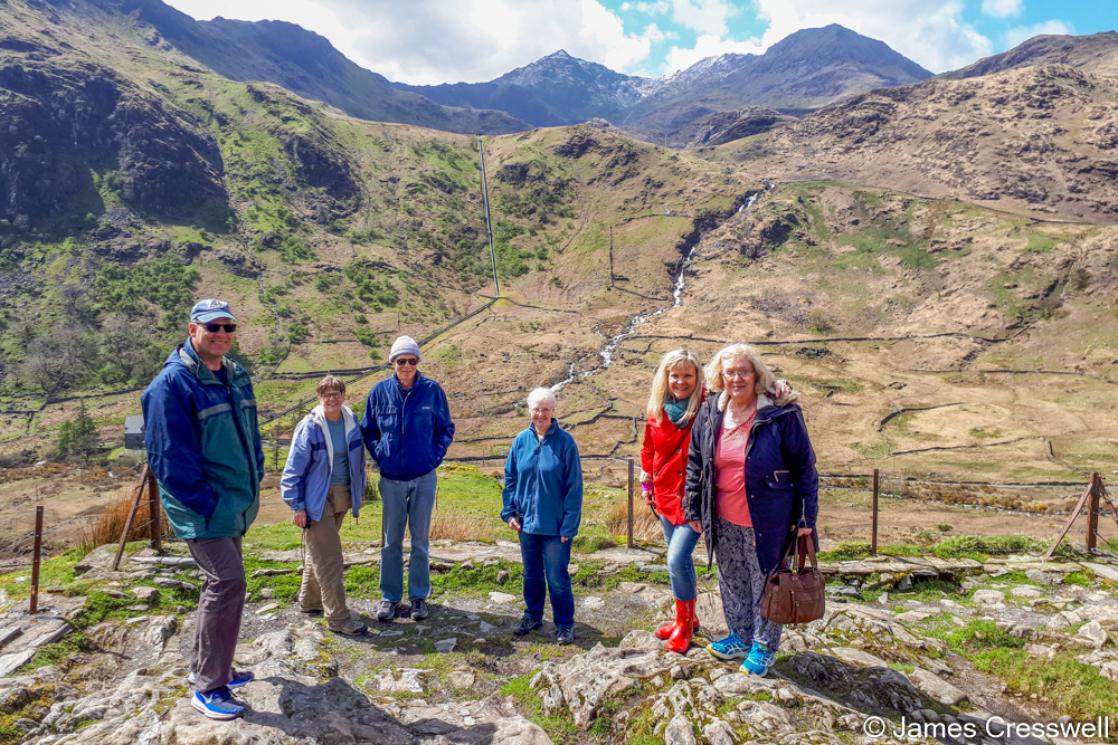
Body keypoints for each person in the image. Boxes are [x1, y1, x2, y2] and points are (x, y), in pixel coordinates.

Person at [141, 298, 263, 720]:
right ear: (192, 329)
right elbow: (168, 458)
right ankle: (209, 687)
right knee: (227, 582)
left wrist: (254, 479)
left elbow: (252, 434)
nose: (222, 334)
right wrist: (206, 502)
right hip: (205, 508)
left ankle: (214, 666)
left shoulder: (234, 374)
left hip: (234, 503)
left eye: (229, 327)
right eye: (213, 327)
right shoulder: (171, 385)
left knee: (225, 584)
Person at [683, 343, 818, 677]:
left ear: (757, 375)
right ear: (720, 376)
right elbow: (696, 460)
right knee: (732, 579)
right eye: (729, 372)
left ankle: (764, 646)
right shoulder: (711, 410)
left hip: (769, 518)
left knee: (766, 583)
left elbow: (805, 467)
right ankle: (740, 636)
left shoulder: (781, 413)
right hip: (723, 516)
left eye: (743, 371)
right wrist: (693, 506)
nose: (736, 378)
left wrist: (805, 518)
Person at [361, 335, 455, 622]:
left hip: (424, 477)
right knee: (390, 542)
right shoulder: (378, 392)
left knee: (420, 541)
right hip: (391, 480)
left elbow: (445, 429)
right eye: (401, 361)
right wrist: (382, 457)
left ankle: (418, 598)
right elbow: (369, 430)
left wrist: (432, 459)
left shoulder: (432, 391)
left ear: (417, 363)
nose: (406, 365)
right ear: (392, 363)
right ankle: (389, 598)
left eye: (411, 361)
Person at [281, 375, 369, 636]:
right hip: (316, 501)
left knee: (318, 553)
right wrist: (297, 505)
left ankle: (310, 602)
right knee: (330, 559)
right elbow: (292, 470)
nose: (332, 398)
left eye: (336, 393)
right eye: (326, 394)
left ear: (344, 395)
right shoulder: (310, 426)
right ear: (319, 397)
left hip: (343, 496)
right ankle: (339, 618)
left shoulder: (351, 422)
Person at [501, 387, 583, 645]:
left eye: (545, 409)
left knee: (558, 578)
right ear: (529, 410)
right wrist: (509, 512)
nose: (540, 414)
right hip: (526, 524)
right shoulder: (520, 441)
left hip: (556, 526)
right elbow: (511, 479)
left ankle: (564, 625)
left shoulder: (565, 442)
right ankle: (533, 615)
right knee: (531, 574)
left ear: (553, 411)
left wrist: (568, 527)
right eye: (537, 409)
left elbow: (574, 488)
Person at [639, 350, 707, 654]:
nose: (680, 381)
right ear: (665, 378)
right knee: (679, 561)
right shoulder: (657, 410)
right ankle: (688, 619)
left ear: (697, 378)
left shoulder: (709, 405)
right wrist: (647, 483)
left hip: (695, 498)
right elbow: (648, 449)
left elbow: (745, 385)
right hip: (664, 495)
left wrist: (777, 386)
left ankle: (683, 625)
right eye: (675, 375)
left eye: (687, 375)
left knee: (676, 559)